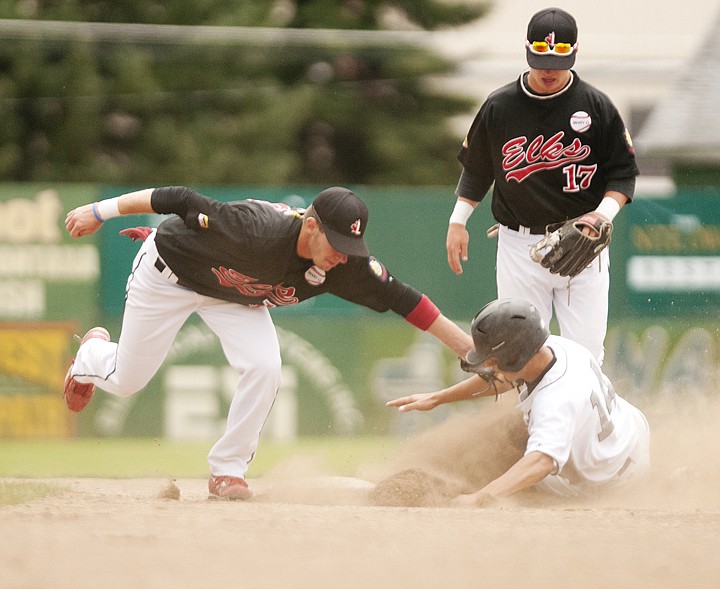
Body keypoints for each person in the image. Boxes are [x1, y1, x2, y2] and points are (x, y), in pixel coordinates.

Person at [63, 186, 473, 500]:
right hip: (168, 275)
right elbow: (177, 197)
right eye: (337, 243)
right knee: (127, 379)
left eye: (352, 247)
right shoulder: (253, 229)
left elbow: (408, 301)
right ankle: (91, 354)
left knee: (265, 367)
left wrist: (469, 352)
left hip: (234, 296)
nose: (343, 256)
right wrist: (99, 211)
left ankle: (227, 470)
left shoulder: (341, 264)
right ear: (310, 226)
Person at [446, 7, 639, 363]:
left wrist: (601, 215)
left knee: (585, 356)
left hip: (583, 243)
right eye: (541, 58)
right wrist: (458, 220)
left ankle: (590, 420)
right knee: (520, 353)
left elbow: (623, 174)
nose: (549, 68)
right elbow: (477, 169)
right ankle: (530, 421)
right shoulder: (499, 106)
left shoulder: (596, 106)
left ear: (574, 53)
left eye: (558, 59)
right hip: (519, 246)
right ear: (527, 50)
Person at [387, 298, 650, 503]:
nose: (488, 367)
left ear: (516, 357)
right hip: (630, 433)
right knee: (509, 438)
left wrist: (479, 498)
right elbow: (505, 378)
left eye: (492, 360)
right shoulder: (555, 348)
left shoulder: (555, 400)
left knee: (507, 479)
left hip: (609, 481)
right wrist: (437, 398)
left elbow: (542, 461)